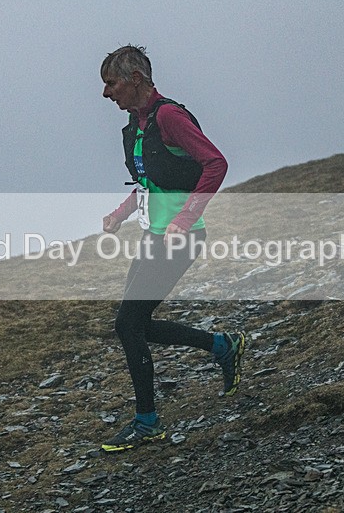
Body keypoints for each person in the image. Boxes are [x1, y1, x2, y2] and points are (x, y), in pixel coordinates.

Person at [99, 45, 245, 452]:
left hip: (181, 239)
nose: (106, 94)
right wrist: (121, 213)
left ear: (136, 80)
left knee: (128, 324)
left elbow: (216, 163)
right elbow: (150, 182)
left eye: (111, 84)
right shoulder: (137, 125)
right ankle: (222, 346)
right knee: (136, 325)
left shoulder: (169, 117)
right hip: (154, 237)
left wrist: (183, 219)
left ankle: (147, 421)